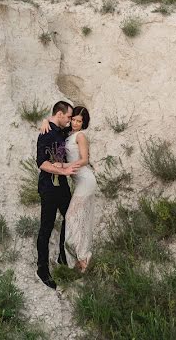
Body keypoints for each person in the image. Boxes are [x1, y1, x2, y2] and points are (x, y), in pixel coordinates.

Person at [35, 100, 78, 289]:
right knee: (46, 227)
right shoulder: (45, 134)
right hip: (49, 188)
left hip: (62, 187)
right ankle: (42, 269)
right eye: (68, 117)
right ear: (59, 114)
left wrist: (46, 118)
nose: (70, 121)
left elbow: (79, 125)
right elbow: (41, 163)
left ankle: (62, 257)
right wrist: (63, 172)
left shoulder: (61, 131)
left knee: (70, 218)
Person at [62, 106, 98, 272]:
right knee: (79, 219)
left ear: (84, 123)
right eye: (74, 120)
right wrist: (43, 122)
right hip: (80, 181)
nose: (75, 123)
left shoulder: (80, 135)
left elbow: (84, 160)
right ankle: (81, 258)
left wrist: (64, 166)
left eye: (79, 121)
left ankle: (83, 257)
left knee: (72, 216)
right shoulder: (69, 134)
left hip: (86, 180)